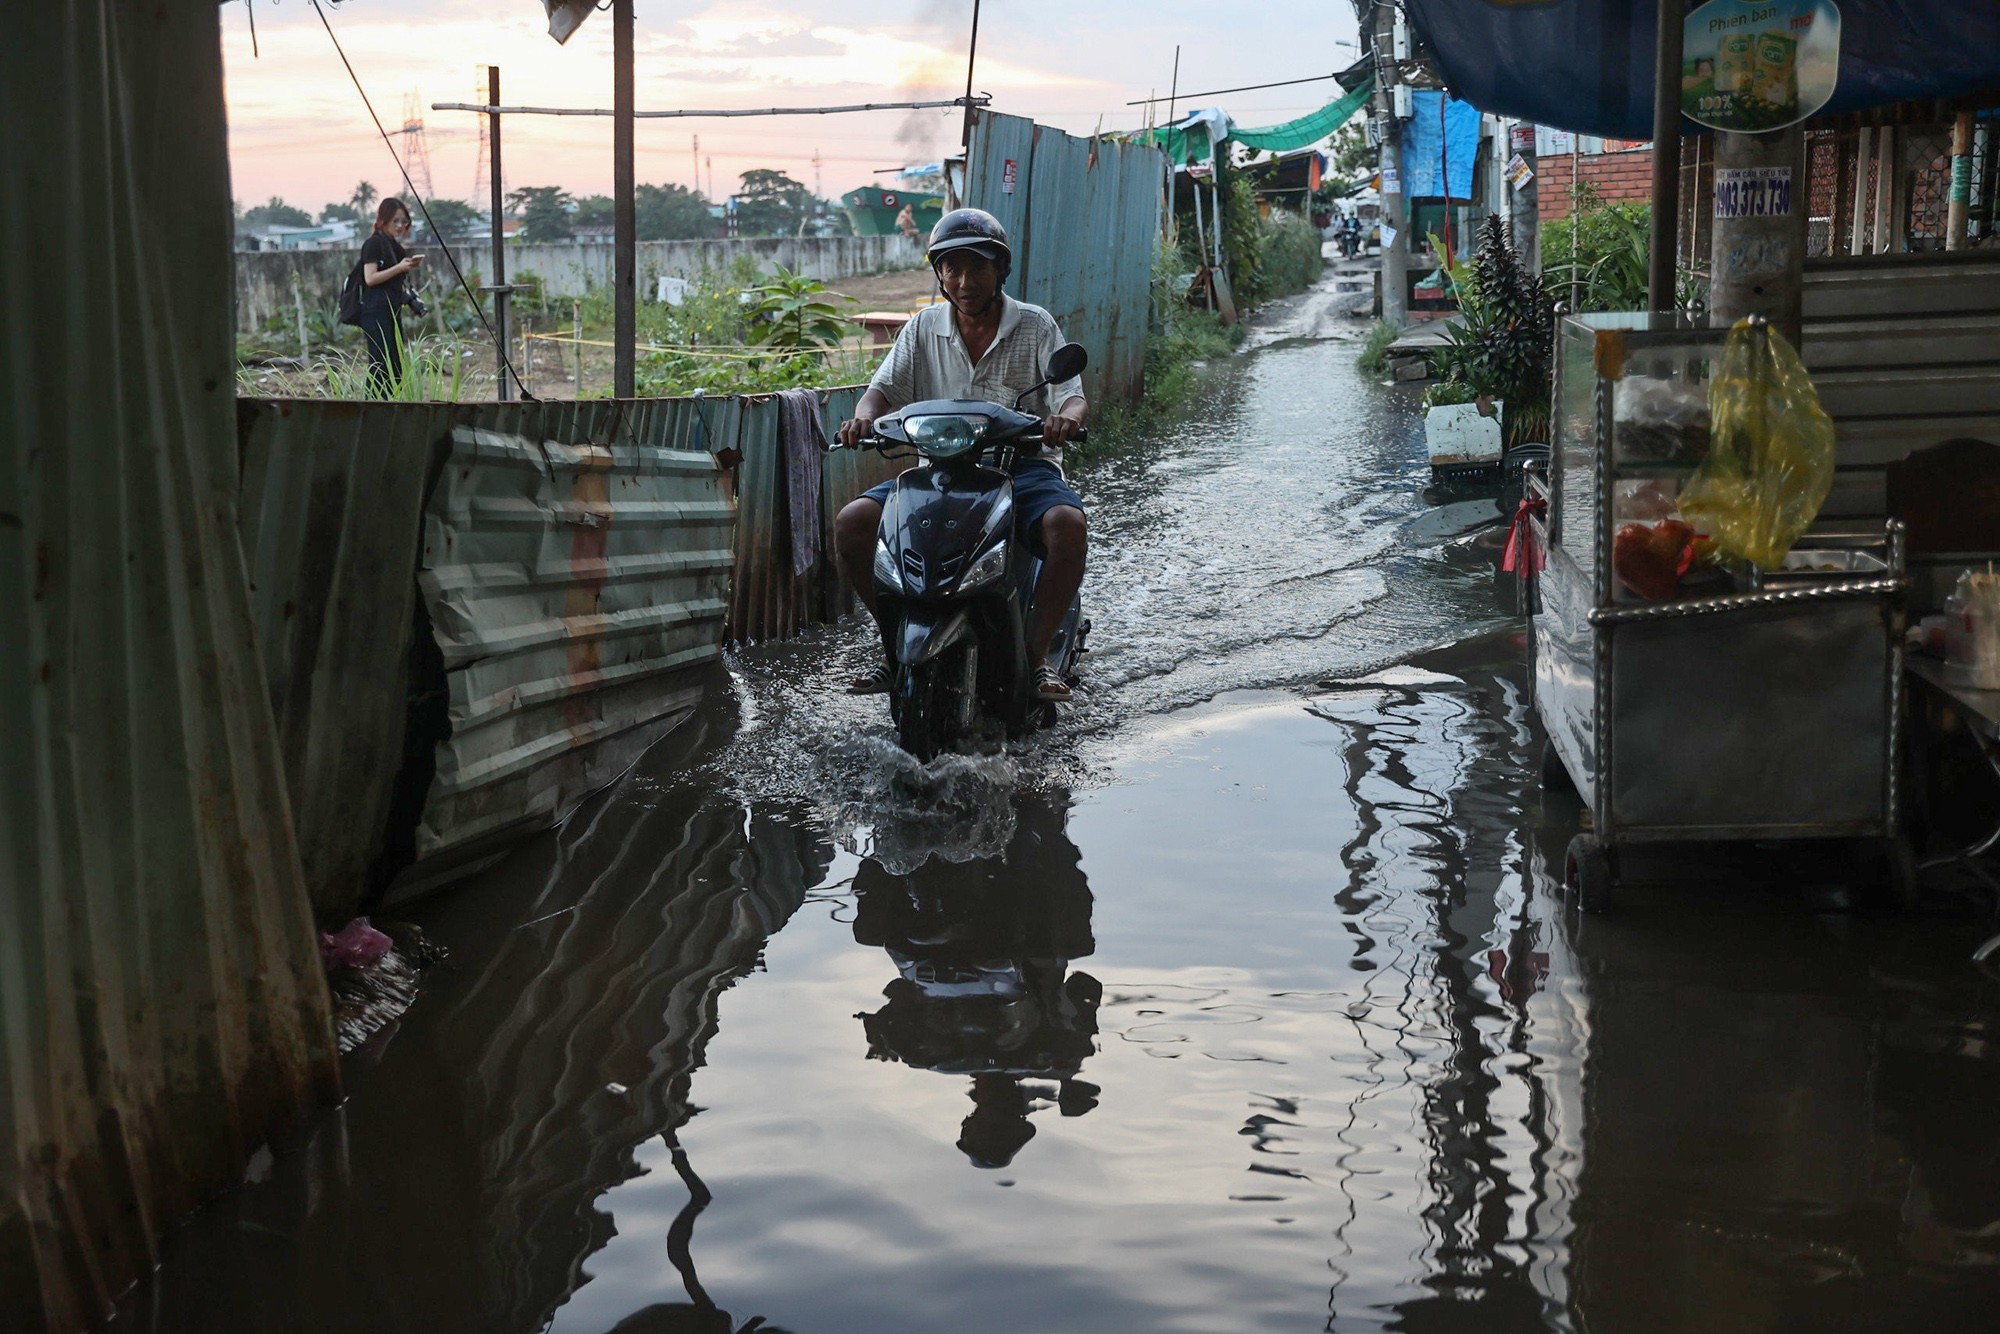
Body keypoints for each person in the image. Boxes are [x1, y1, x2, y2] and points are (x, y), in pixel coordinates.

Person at [834, 208, 1088, 702]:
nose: (964, 280)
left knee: (1068, 527)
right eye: (952, 268)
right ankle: (892, 648)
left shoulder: (1035, 325)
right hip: (940, 471)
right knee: (852, 522)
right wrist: (863, 417)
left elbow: (1071, 396)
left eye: (976, 267)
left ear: (1000, 271)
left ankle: (1035, 660)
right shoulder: (922, 327)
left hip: (1022, 469)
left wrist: (1067, 420)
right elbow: (879, 390)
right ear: (939, 273)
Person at [357, 197, 424, 396]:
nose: (399, 226)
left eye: (403, 222)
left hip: (391, 310)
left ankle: (390, 405)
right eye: (395, 221)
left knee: (395, 366)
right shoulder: (374, 243)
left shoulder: (394, 246)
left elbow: (394, 282)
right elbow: (370, 278)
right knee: (380, 366)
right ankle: (374, 408)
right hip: (375, 312)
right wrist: (399, 268)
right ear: (383, 220)